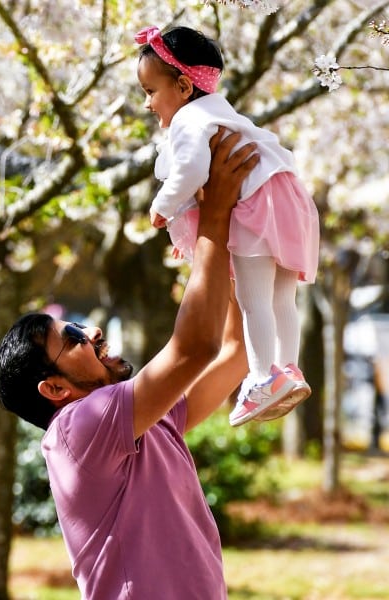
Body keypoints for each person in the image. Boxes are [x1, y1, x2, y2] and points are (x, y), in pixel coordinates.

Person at [0, 129, 256, 599]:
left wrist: (217, 241)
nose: (90, 331)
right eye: (71, 339)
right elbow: (196, 347)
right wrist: (214, 215)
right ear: (53, 389)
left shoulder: (146, 422)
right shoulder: (78, 427)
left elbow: (234, 351)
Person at [135, 25, 320, 426]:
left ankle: (260, 378)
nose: (148, 104)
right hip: (290, 200)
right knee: (282, 299)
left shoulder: (188, 120)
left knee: (254, 300)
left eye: (151, 91)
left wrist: (162, 206)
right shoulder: (225, 113)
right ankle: (288, 368)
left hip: (256, 207)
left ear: (184, 87)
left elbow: (192, 171)